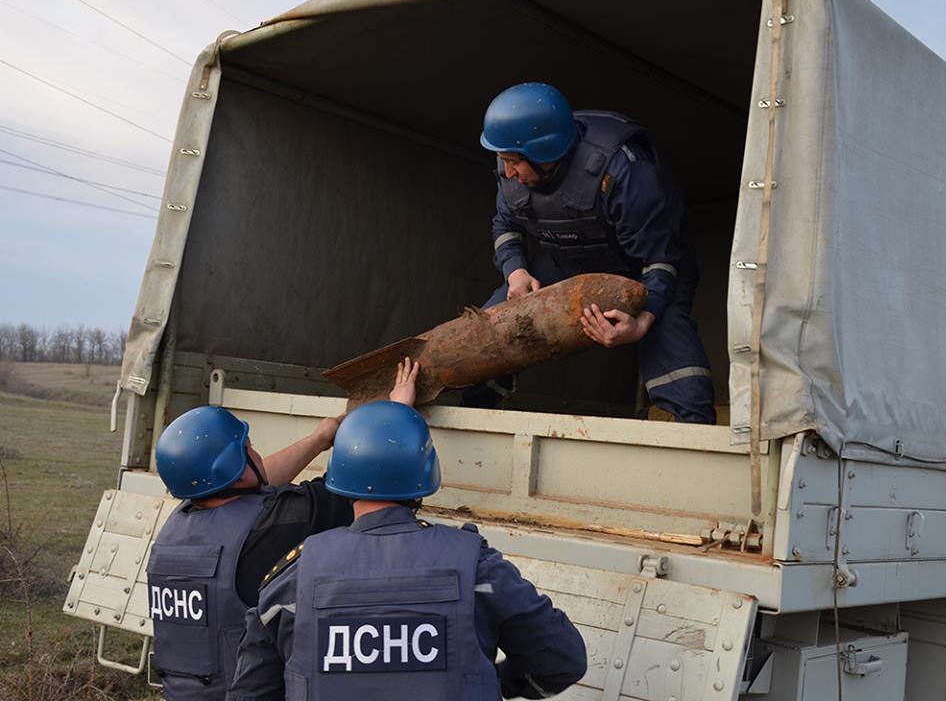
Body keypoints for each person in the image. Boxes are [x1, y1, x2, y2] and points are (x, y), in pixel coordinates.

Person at [228, 400, 587, 700]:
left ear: (339, 476)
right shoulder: (476, 565)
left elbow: (251, 692)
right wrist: (495, 682)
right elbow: (563, 661)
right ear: (426, 473)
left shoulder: (293, 577)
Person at [147, 359, 421, 699]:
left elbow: (253, 489)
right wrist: (397, 411)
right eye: (248, 449)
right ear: (239, 470)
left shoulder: (179, 523)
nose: (257, 452)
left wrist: (319, 439)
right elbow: (364, 483)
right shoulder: (281, 522)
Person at [470, 81, 715, 424]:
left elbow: (662, 259)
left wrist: (644, 320)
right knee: (482, 337)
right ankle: (475, 410)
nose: (508, 172)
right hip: (564, 261)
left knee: (675, 355)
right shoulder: (511, 170)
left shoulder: (623, 169)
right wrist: (516, 272)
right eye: (502, 160)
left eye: (514, 162)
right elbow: (504, 227)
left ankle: (689, 433)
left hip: (645, 267)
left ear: (545, 153)